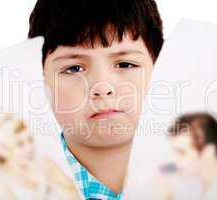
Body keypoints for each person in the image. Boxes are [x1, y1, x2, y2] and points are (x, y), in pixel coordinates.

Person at [28, 0, 164, 199]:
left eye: (125, 64)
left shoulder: (211, 182)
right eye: (74, 68)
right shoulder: (8, 189)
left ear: (161, 66)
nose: (102, 87)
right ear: (41, 80)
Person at [0, 114, 80, 200]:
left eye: (30, 140)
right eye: (20, 144)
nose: (29, 148)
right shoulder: (1, 184)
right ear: (3, 150)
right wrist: (42, 187)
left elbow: (74, 194)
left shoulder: (45, 163)